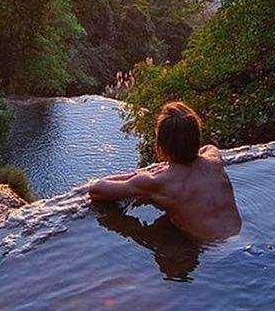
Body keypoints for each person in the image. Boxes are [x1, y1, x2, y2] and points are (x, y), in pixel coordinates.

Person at [87, 101, 242, 242]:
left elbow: (97, 189)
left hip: (211, 249)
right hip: (239, 238)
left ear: (160, 146)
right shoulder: (214, 160)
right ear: (197, 135)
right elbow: (208, 147)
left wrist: (140, 174)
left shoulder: (157, 182)